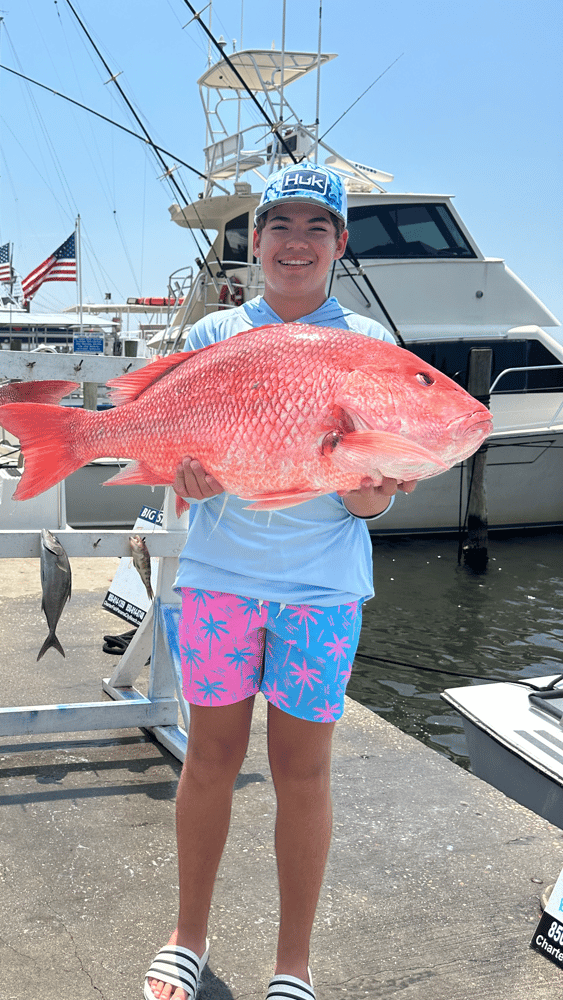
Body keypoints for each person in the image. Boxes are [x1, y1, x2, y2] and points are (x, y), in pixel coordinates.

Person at [144, 163, 418, 1000]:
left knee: (304, 772)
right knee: (209, 761)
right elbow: (174, 443)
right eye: (280, 227)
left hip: (321, 592)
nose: (295, 244)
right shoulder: (210, 336)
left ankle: (292, 963)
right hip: (221, 580)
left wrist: (371, 497)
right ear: (254, 240)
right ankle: (188, 936)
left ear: (339, 242)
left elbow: (374, 492)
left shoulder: (370, 345)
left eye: (314, 228)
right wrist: (181, 477)